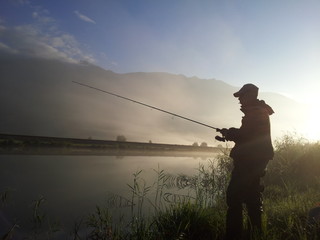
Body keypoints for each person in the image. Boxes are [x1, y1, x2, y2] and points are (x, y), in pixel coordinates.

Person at [218, 83, 274, 240]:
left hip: (250, 161)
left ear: (250, 95)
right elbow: (248, 134)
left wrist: (229, 133)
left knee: (233, 197)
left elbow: (246, 136)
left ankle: (233, 236)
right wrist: (230, 132)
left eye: (241, 96)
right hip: (256, 159)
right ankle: (255, 233)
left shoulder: (256, 112)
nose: (239, 99)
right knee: (252, 197)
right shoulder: (257, 111)